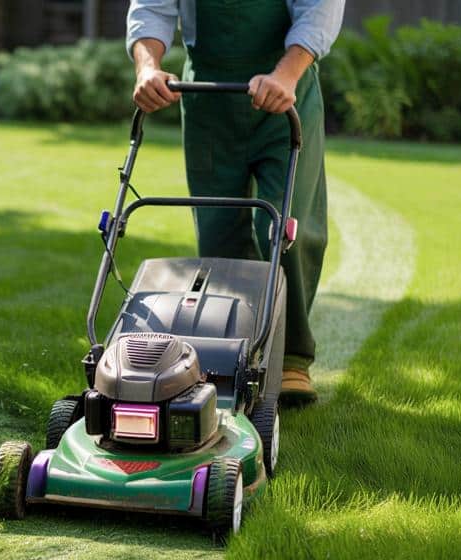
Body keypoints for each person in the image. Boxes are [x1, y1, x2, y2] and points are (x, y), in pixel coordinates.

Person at [127, 0, 343, 405]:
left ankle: (291, 357)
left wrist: (285, 75)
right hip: (209, 99)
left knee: (285, 227)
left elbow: (319, 9)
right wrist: (147, 68)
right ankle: (230, 353)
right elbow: (151, 7)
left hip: (285, 94)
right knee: (218, 231)